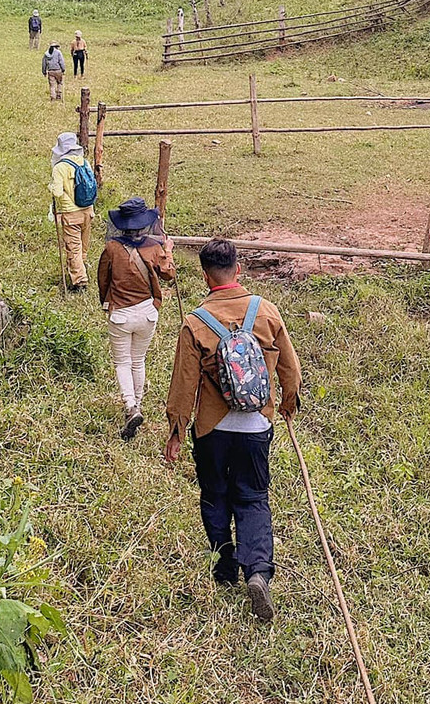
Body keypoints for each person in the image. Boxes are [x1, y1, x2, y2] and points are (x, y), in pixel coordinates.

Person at [165, 236, 301, 623]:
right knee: (254, 498)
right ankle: (258, 571)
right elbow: (290, 369)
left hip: (212, 429)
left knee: (214, 495)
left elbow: (183, 384)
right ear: (237, 270)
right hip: (257, 425)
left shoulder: (195, 322)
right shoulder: (267, 311)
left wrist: (176, 430)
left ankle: (224, 570)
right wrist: (288, 403)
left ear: (206, 276)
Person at [98, 197, 175, 441]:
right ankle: (137, 403)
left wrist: (106, 303)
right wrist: (168, 251)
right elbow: (169, 275)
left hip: (120, 315)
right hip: (147, 313)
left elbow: (103, 279)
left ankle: (131, 406)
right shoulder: (154, 247)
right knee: (138, 360)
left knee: (122, 362)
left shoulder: (111, 248)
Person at [48, 130, 93, 291]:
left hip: (71, 213)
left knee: (73, 246)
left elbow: (57, 192)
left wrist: (52, 188)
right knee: (83, 244)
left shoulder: (60, 167)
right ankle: (81, 267)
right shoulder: (84, 162)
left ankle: (80, 281)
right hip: (88, 210)